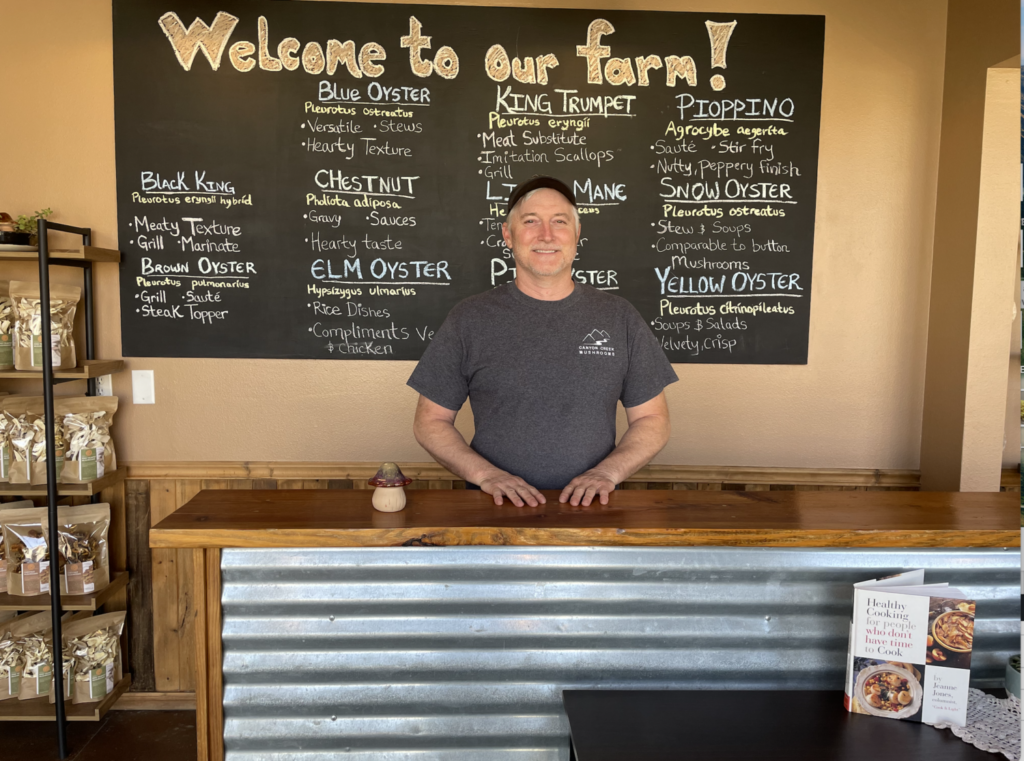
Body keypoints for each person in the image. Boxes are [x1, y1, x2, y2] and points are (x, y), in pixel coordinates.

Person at [407, 176, 678, 507]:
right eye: (531, 221)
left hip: (593, 512)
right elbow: (430, 421)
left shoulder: (619, 317)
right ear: (508, 234)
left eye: (560, 222)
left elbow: (652, 419)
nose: (546, 235)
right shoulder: (469, 319)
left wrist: (607, 474)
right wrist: (486, 476)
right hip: (494, 514)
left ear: (577, 234)